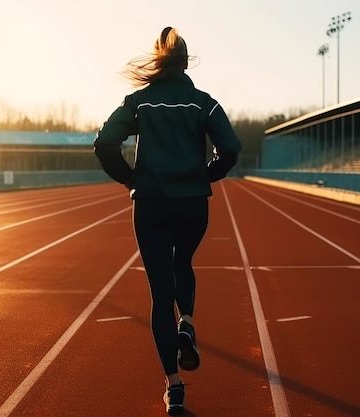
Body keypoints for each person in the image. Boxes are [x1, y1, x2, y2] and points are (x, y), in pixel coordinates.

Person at [93, 26, 241, 415]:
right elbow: (231, 147)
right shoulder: (204, 103)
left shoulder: (139, 101)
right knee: (184, 263)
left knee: (161, 294)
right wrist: (206, 174)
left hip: (152, 204)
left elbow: (105, 143)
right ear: (186, 62)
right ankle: (187, 324)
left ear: (159, 61)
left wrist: (128, 177)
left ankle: (174, 388)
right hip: (193, 204)